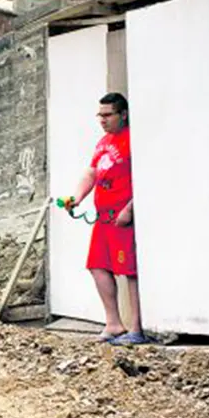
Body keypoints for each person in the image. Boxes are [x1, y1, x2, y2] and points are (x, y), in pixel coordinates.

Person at [64, 93, 145, 345]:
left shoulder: (133, 139)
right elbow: (92, 173)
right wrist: (77, 197)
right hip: (104, 218)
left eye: (108, 114)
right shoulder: (103, 142)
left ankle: (137, 328)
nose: (102, 120)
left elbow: (145, 176)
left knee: (129, 271)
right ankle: (114, 323)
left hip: (123, 217)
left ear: (123, 114)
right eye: (100, 115)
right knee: (97, 266)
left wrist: (131, 209)